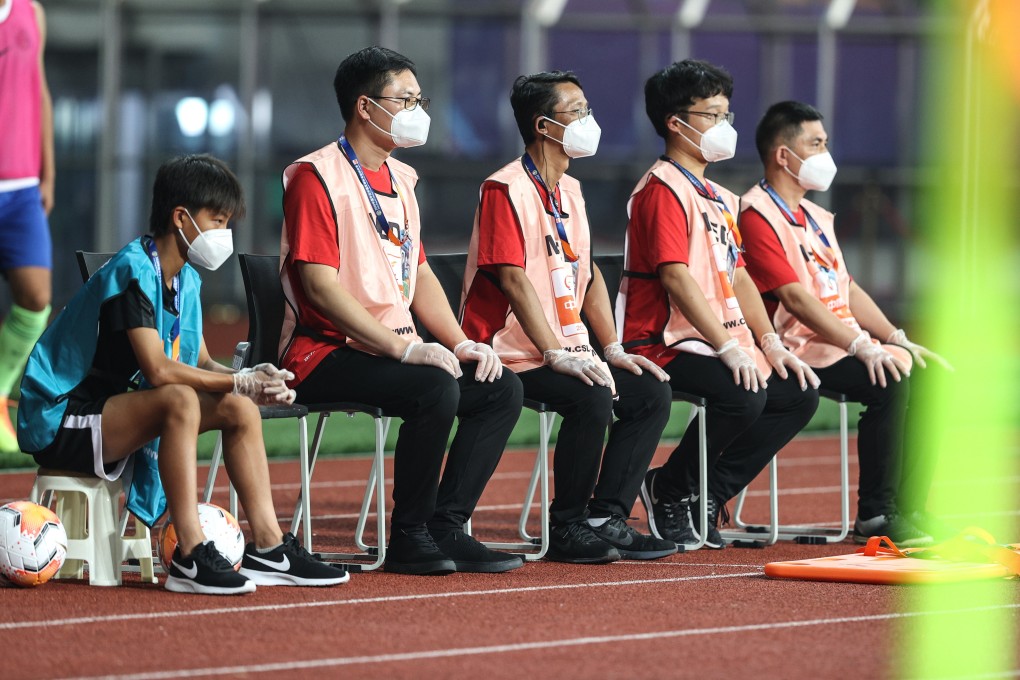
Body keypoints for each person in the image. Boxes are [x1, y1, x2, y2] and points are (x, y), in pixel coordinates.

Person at [17, 155, 348, 594]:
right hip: (60, 418)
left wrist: (253, 378)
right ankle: (189, 555)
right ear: (181, 217)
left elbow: (201, 363)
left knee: (238, 409)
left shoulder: (186, 280)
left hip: (114, 413)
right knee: (180, 399)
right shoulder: (133, 271)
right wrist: (235, 381)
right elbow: (158, 369)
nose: (224, 233)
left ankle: (270, 548)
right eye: (218, 219)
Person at [279, 47, 524, 576]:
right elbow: (319, 289)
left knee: (500, 387)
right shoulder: (315, 176)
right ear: (365, 107)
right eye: (406, 99)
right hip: (324, 351)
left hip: (393, 347)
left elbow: (419, 278)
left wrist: (460, 342)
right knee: (434, 388)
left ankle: (446, 526)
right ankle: (410, 535)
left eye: (420, 99)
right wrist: (405, 348)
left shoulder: (403, 179)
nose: (418, 110)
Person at [460, 71, 677, 564]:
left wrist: (614, 347)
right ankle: (568, 526)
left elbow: (590, 276)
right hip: (509, 352)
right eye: (576, 111)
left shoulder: (571, 191)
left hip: (566, 348)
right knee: (592, 398)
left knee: (649, 394)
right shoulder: (504, 188)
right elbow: (513, 279)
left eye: (587, 109)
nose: (588, 120)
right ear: (542, 125)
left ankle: (607, 517)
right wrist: (555, 352)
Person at [618, 60, 820, 549]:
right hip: (659, 340)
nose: (724, 125)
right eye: (712, 114)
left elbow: (739, 274)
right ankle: (669, 486)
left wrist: (769, 342)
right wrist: (729, 346)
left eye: (727, 114)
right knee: (742, 393)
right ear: (676, 122)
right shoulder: (663, 187)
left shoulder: (721, 196)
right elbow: (676, 277)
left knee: (796, 392)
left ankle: (707, 490)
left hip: (708, 338)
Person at [739, 101, 951, 545]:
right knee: (889, 383)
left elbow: (847, 287)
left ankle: (909, 508)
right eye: (815, 143)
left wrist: (895, 338)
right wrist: (860, 345)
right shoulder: (757, 213)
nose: (825, 154)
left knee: (930, 377)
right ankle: (876, 514)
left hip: (841, 340)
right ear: (783, 155)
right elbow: (794, 297)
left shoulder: (816, 217)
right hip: (798, 346)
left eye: (825, 143)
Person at [0, 0, 54, 453]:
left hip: (21, 190)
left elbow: (39, 91)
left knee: (36, 299)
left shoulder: (30, 12)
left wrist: (47, 173)